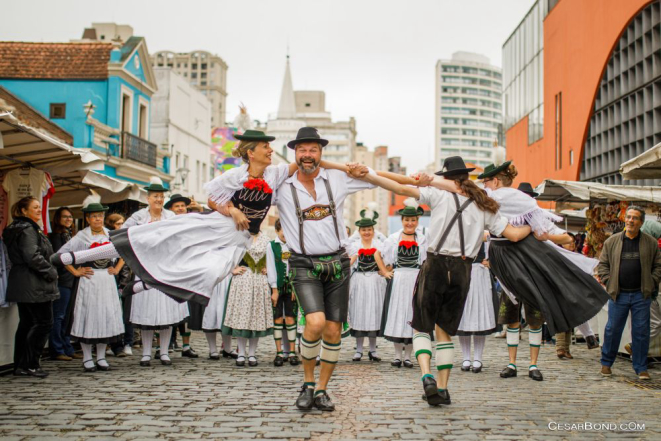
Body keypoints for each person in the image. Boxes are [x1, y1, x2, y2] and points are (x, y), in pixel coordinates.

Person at [50, 130, 345, 307]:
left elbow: (312, 160)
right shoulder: (234, 176)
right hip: (215, 226)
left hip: (238, 239)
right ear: (251, 153)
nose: (271, 150)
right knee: (151, 237)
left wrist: (345, 167)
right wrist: (234, 210)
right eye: (266, 147)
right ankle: (73, 256)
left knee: (209, 274)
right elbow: (213, 199)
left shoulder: (276, 172)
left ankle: (146, 285)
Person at [469, 162, 610, 382]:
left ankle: (533, 365)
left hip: (527, 267)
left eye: (487, 181)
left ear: (495, 181)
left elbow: (563, 237)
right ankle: (512, 363)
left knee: (534, 319)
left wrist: (542, 235)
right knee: (512, 320)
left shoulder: (520, 206)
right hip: (508, 267)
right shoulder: (496, 203)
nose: (485, 185)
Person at [277, 127, 379, 412]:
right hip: (303, 262)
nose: (307, 155)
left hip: (337, 262)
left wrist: (355, 168)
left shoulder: (336, 178)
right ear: (294, 153)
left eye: (313, 150)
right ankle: (307, 382)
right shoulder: (281, 185)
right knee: (316, 323)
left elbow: (372, 181)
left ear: (321, 153)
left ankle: (321, 390)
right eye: (302, 150)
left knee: (333, 330)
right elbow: (248, 192)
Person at [58, 193, 125, 372]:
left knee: (105, 316)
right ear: (88, 218)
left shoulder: (111, 234)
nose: (98, 219)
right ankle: (88, 358)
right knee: (88, 316)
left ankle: (101, 357)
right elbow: (62, 256)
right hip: (89, 279)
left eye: (100, 216)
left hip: (106, 279)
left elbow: (125, 253)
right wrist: (76, 271)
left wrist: (117, 268)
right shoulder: (81, 237)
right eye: (94, 216)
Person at [598, 206, 661, 380]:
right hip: (619, 294)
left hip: (641, 294)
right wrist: (608, 281)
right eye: (628, 217)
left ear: (641, 222)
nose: (630, 220)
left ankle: (641, 367)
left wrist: (652, 281)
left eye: (634, 218)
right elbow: (602, 265)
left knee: (641, 332)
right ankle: (606, 363)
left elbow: (658, 266)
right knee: (612, 330)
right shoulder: (612, 242)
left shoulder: (650, 243)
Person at [4, 197, 59, 377]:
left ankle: (21, 364)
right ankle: (30, 364)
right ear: (23, 211)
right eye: (35, 207)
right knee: (43, 322)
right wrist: (50, 271)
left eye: (39, 207)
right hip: (33, 283)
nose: (38, 210)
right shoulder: (28, 229)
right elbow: (31, 256)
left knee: (27, 324)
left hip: (23, 282)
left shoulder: (18, 228)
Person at [381, 198, 427, 368]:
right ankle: (397, 355)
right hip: (399, 279)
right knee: (398, 313)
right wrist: (386, 271)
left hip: (415, 279)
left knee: (411, 314)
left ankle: (408, 356)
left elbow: (426, 261)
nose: (410, 223)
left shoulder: (422, 239)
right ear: (402, 221)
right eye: (407, 220)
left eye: (413, 220)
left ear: (417, 221)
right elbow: (382, 257)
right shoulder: (393, 238)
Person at [221, 231, 273, 367]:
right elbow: (227, 254)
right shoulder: (239, 237)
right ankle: (241, 353)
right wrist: (232, 269)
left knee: (256, 317)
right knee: (241, 317)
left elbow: (272, 258)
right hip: (243, 280)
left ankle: (252, 354)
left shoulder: (266, 239)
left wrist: (269, 269)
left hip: (259, 280)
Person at [347, 206, 392, 362]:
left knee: (374, 311)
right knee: (359, 311)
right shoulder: (355, 246)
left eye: (369, 230)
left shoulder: (380, 245)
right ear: (359, 231)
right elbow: (350, 262)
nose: (366, 232)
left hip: (375, 281)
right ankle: (359, 349)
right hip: (359, 281)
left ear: (373, 230)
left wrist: (385, 271)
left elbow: (387, 263)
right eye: (364, 230)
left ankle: (373, 349)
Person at [163, 193, 199, 359]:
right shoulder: (165, 223)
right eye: (177, 206)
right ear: (171, 209)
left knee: (186, 311)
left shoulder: (191, 222)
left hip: (187, 270)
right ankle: (165, 344)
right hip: (169, 270)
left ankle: (186, 345)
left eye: (183, 206)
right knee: (166, 308)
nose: (180, 208)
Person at [456, 239, 497, 374]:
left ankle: (478, 358)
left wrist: (491, 262)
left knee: (480, 316)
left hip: (480, 275)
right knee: (464, 316)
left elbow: (496, 253)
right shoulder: (459, 233)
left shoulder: (485, 235)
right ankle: (466, 357)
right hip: (462, 274)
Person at [48, 207, 80, 361]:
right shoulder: (55, 237)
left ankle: (67, 347)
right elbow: (58, 258)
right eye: (65, 217)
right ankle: (57, 349)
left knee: (67, 316)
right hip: (62, 280)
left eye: (70, 217)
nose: (69, 219)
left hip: (70, 280)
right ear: (58, 219)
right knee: (59, 316)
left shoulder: (69, 236)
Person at [266, 219, 300, 367]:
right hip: (278, 286)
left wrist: (295, 286)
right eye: (282, 231)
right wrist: (274, 289)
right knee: (278, 318)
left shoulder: (295, 245)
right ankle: (279, 352)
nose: (285, 234)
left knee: (291, 318)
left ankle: (292, 352)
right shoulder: (272, 246)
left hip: (291, 286)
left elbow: (297, 266)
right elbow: (271, 267)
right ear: (277, 231)